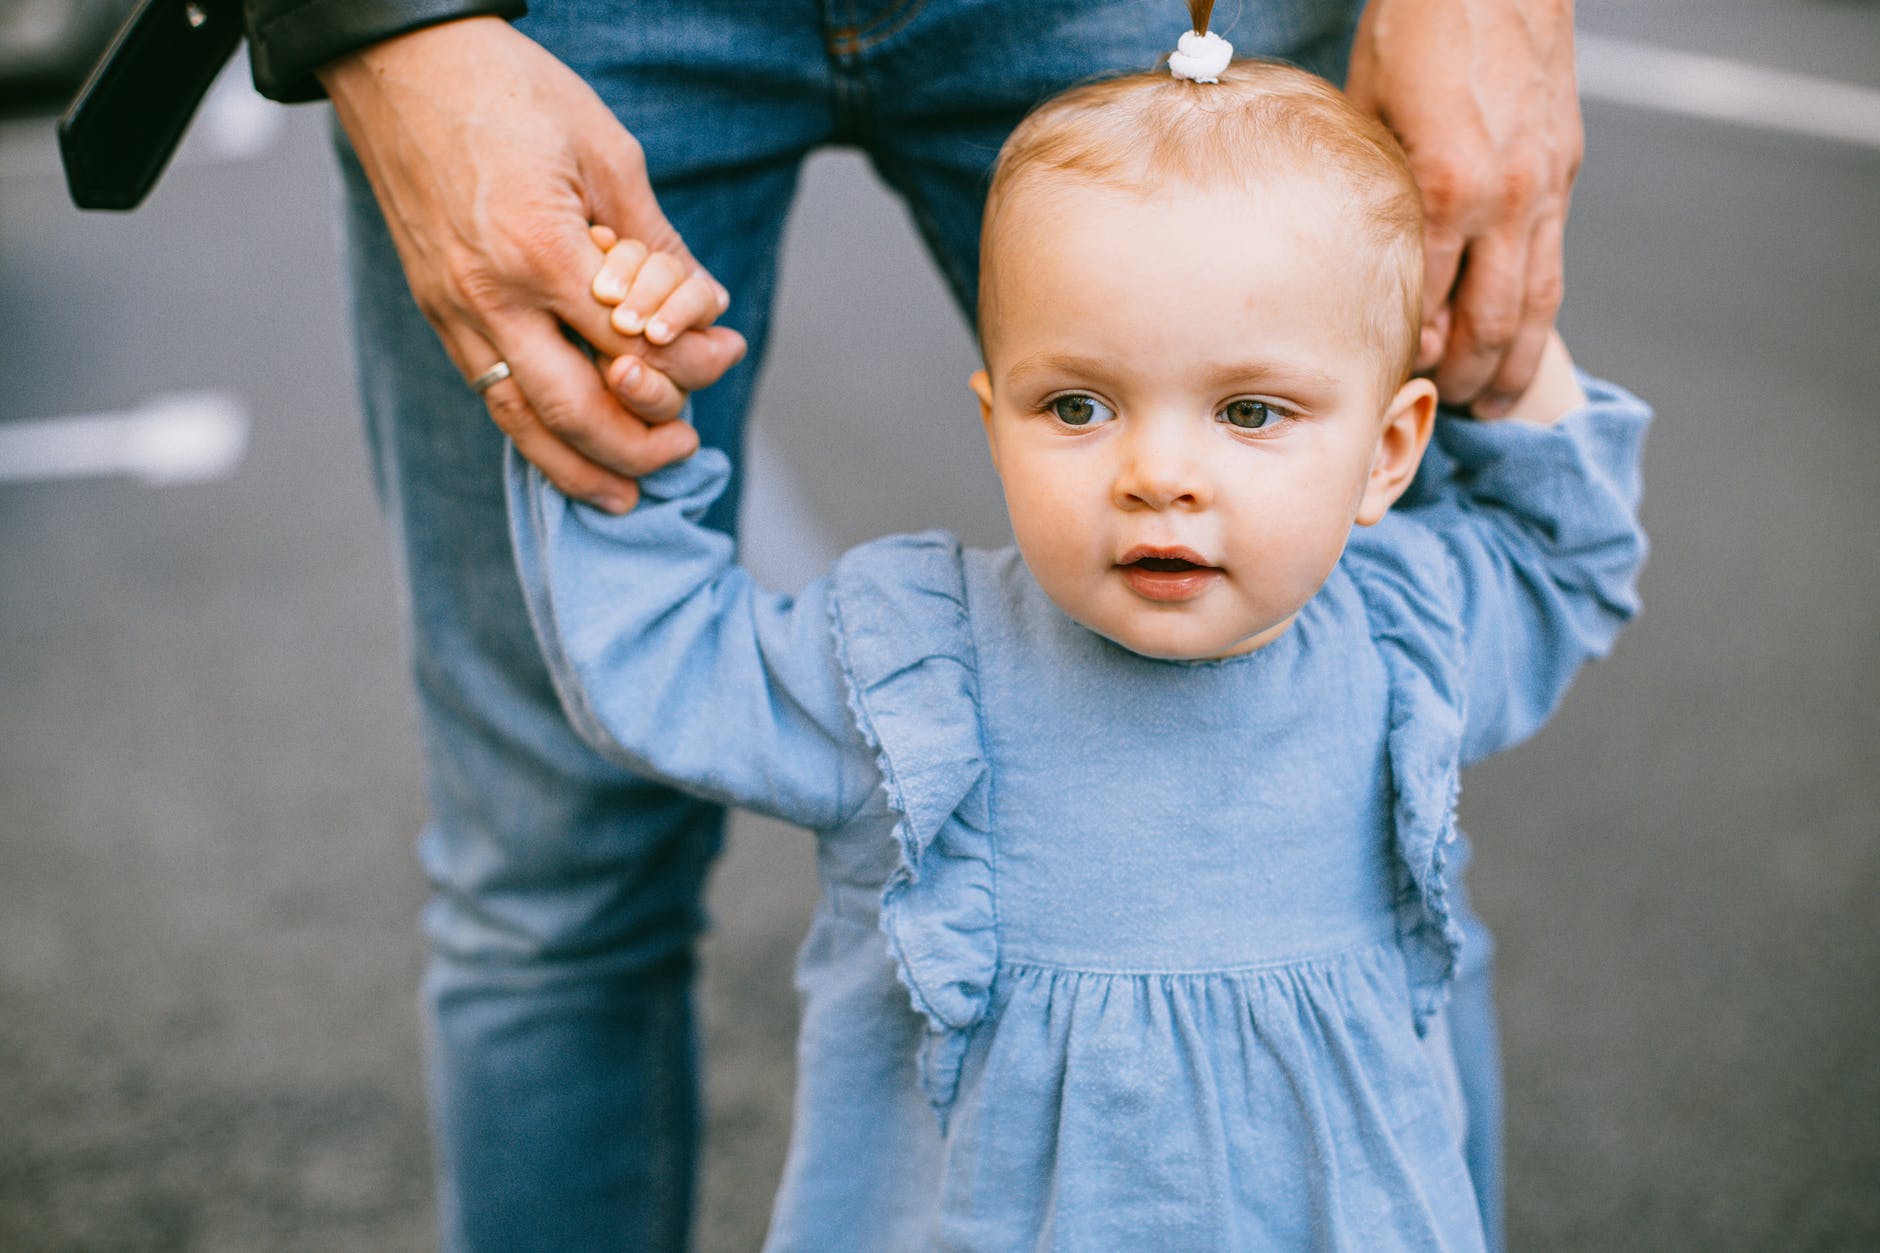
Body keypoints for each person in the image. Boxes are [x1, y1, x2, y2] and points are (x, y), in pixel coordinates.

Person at [237, 0, 1580, 1244]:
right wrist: (624, 423)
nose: (1159, 472)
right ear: (992, 419)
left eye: (1250, 412)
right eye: (1078, 406)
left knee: (1409, 863)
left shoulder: (1405, 636)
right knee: (552, 886)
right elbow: (664, 664)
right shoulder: (905, 665)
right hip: (553, 8)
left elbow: (1560, 557)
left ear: (1393, 445)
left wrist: (1515, 354)